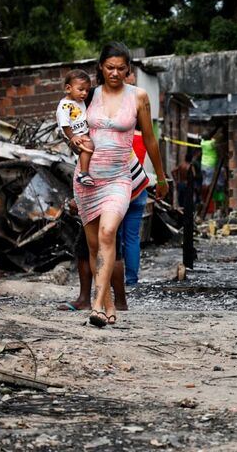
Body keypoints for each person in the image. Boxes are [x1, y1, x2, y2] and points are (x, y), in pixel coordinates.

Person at [73, 41, 168, 327]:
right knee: (93, 246)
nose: (115, 73)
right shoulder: (89, 96)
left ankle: (96, 305)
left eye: (121, 68)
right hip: (88, 179)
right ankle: (109, 304)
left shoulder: (138, 96)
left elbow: (149, 139)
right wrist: (72, 141)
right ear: (100, 68)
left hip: (118, 178)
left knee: (108, 233)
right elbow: (71, 128)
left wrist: (160, 176)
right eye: (109, 67)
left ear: (128, 70)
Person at [57, 199, 128, 312]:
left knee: (91, 248)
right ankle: (119, 301)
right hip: (113, 201)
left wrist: (78, 199)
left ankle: (87, 300)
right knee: (106, 247)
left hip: (101, 201)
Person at [117, 129, 149, 287]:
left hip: (118, 189)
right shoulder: (144, 138)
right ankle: (131, 280)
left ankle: (114, 279)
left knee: (115, 237)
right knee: (132, 238)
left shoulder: (117, 133)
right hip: (138, 187)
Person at [56, 70, 96, 186]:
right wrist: (72, 137)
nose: (84, 93)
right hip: (74, 135)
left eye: (87, 90)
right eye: (81, 89)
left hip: (83, 132)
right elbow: (64, 125)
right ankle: (83, 174)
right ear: (68, 88)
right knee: (88, 146)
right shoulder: (65, 106)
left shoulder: (79, 101)